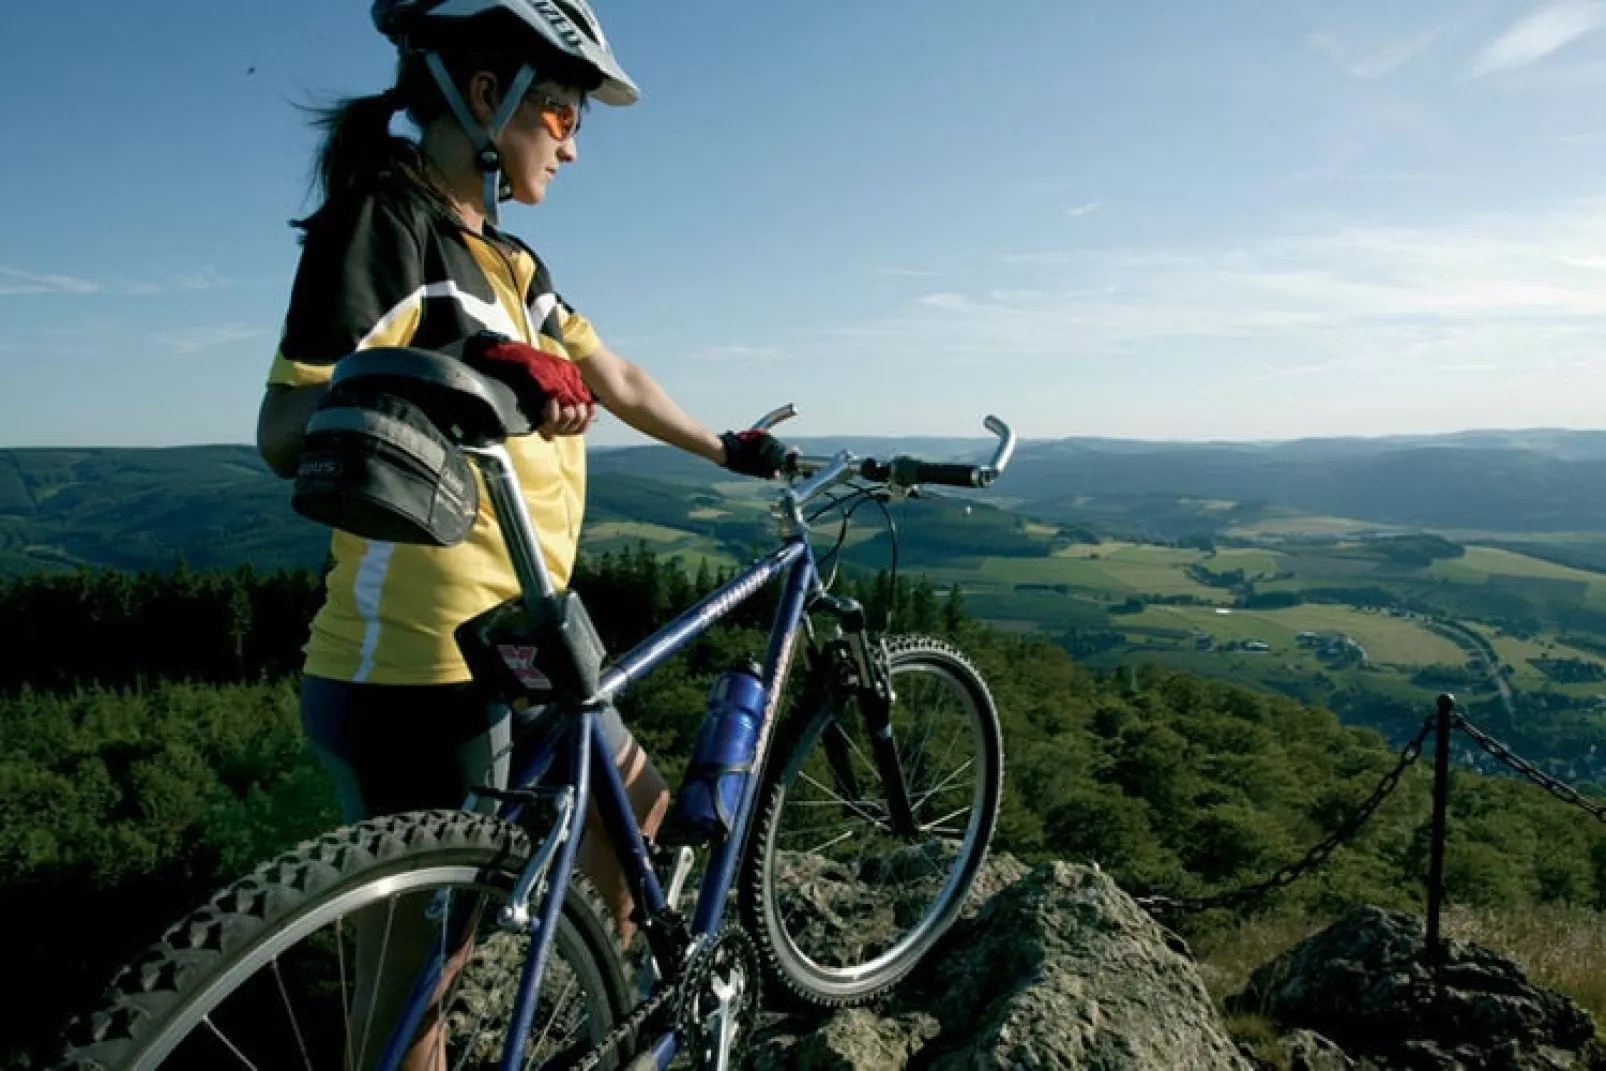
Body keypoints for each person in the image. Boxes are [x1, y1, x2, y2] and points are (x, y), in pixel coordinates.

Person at [253, 1, 790, 1065]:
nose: (573, 143)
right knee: (413, 993)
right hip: (410, 671)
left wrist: (728, 448)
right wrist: (475, 374)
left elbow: (615, 377)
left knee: (630, 818)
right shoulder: (387, 221)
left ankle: (600, 1019)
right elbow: (285, 427)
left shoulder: (512, 262)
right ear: (487, 96)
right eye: (561, 112)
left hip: (520, 643)